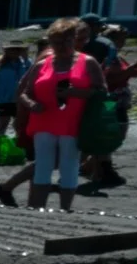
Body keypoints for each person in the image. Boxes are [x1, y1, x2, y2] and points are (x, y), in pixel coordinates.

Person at [11, 16, 96, 211]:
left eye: (67, 41)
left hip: (72, 122)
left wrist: (76, 93)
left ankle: (65, 208)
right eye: (56, 42)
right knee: (43, 165)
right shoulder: (44, 62)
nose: (61, 46)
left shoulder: (87, 62)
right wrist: (30, 105)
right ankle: (37, 207)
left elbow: (100, 91)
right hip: (43, 121)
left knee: (69, 165)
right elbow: (24, 91)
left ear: (73, 40)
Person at [79, 31, 137, 191]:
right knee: (111, 132)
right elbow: (110, 80)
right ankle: (94, 167)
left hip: (119, 101)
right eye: (120, 40)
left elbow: (126, 75)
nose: (123, 43)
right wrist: (133, 68)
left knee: (114, 132)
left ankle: (92, 166)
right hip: (109, 102)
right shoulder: (104, 57)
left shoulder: (116, 57)